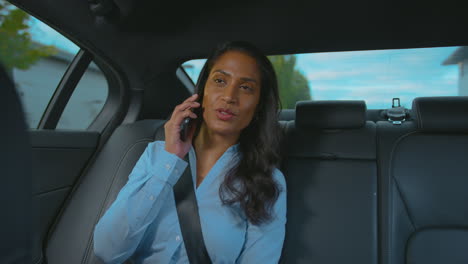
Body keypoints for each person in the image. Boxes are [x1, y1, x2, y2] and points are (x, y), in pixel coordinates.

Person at [93, 41, 287, 264]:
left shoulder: (268, 182)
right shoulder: (156, 155)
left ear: (259, 105)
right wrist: (170, 159)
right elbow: (107, 249)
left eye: (245, 88)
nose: (229, 96)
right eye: (220, 81)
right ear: (202, 90)